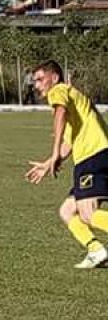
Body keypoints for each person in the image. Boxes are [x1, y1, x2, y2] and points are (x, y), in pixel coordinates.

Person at [24, 60, 108, 269]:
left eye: (40, 79)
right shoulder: (74, 103)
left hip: (93, 156)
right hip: (94, 157)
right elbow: (69, 144)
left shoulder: (59, 90)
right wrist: (49, 163)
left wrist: (54, 152)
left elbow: (59, 113)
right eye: (35, 81)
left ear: (54, 78)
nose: (37, 85)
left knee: (87, 213)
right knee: (67, 211)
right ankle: (96, 250)